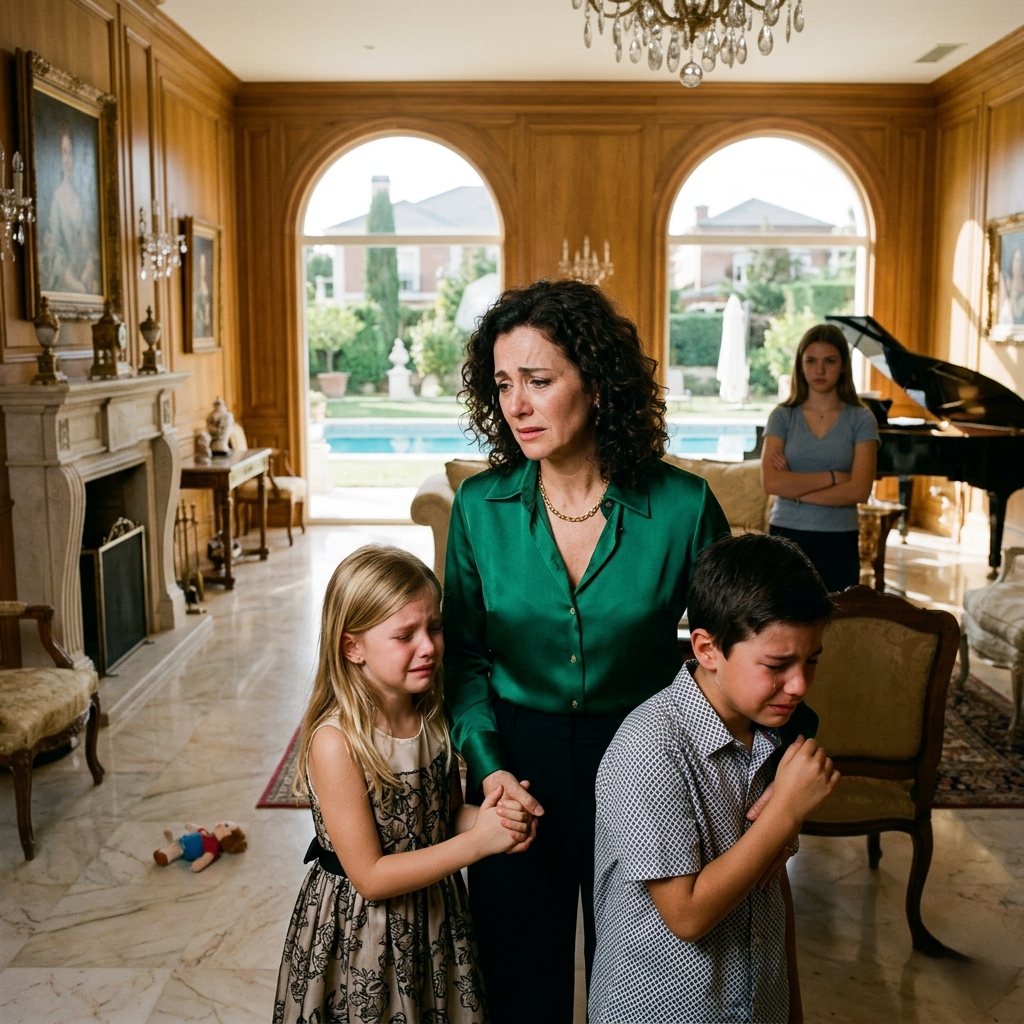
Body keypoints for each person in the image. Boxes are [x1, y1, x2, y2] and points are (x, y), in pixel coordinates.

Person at [443, 278, 732, 1024]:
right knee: (518, 986)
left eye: (538, 381)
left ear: (598, 385)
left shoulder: (684, 508)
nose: (517, 404)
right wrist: (489, 769)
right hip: (516, 767)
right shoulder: (478, 508)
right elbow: (464, 659)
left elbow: (732, 654)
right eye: (503, 384)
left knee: (642, 987)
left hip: (647, 763)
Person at [590, 533, 841, 1024]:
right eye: (777, 665)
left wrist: (789, 1007)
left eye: (811, 660)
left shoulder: (773, 732)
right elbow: (686, 916)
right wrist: (787, 810)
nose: (800, 685)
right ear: (707, 648)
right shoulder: (650, 747)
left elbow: (772, 885)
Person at [274, 545, 531, 1024]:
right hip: (363, 936)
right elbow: (370, 877)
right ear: (352, 647)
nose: (428, 646)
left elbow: (444, 817)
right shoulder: (336, 742)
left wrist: (495, 819)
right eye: (405, 635)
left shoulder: (433, 716)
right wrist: (478, 844)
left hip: (435, 917)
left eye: (434, 628)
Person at [761, 323, 879, 592]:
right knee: (784, 614)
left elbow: (860, 491)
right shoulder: (782, 416)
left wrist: (795, 491)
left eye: (830, 361)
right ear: (800, 365)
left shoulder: (861, 419)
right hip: (786, 535)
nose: (820, 370)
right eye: (811, 361)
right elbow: (771, 483)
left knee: (837, 615)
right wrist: (835, 477)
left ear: (843, 366)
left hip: (840, 538)